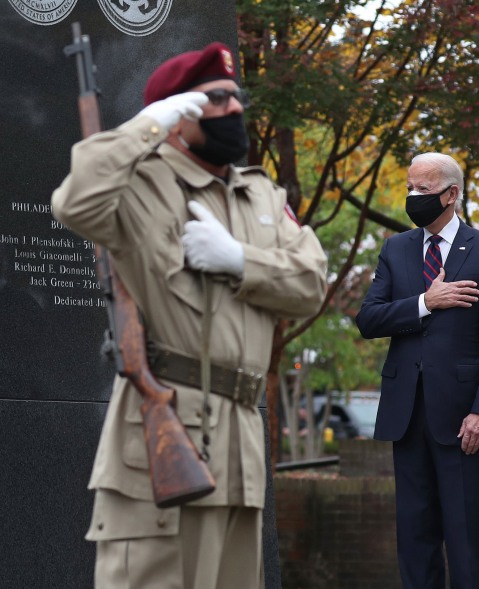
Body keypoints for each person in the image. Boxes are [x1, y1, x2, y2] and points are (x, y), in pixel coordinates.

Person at [51, 42, 327, 589]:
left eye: (237, 97)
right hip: (166, 438)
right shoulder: (140, 186)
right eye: (215, 99)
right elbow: (74, 201)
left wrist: (238, 259)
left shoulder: (262, 197)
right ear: (178, 116)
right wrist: (145, 128)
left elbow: (311, 284)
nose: (234, 109)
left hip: (242, 449)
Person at [356, 152, 479, 589]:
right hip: (406, 416)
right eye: (410, 187)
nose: (413, 196)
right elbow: (368, 319)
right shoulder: (396, 248)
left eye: (423, 189)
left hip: (464, 420)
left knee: (464, 539)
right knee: (414, 536)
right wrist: (428, 302)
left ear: (451, 194)